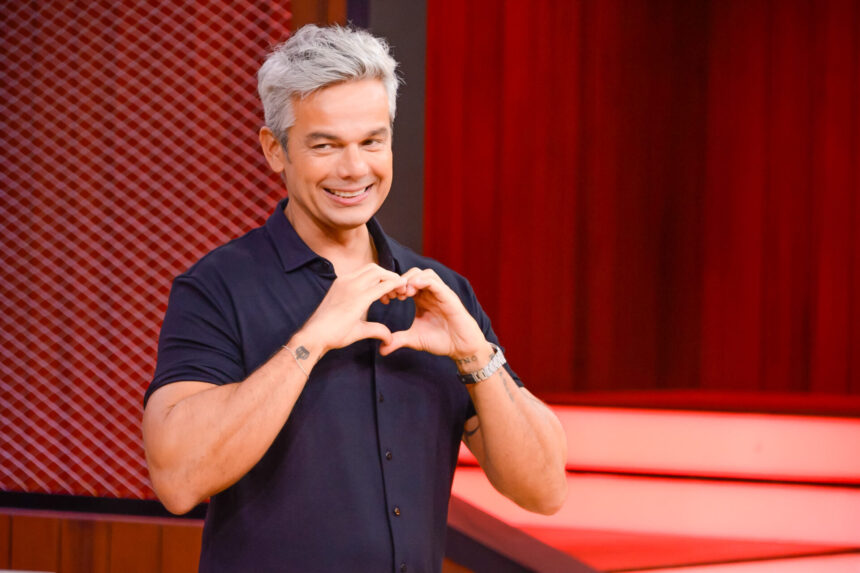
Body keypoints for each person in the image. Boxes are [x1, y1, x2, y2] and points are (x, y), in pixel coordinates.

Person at [142, 24, 567, 573]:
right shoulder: (217, 287)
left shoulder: (440, 290)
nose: (354, 169)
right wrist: (310, 343)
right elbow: (177, 481)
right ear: (276, 150)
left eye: (372, 141)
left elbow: (545, 489)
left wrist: (475, 356)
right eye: (325, 145)